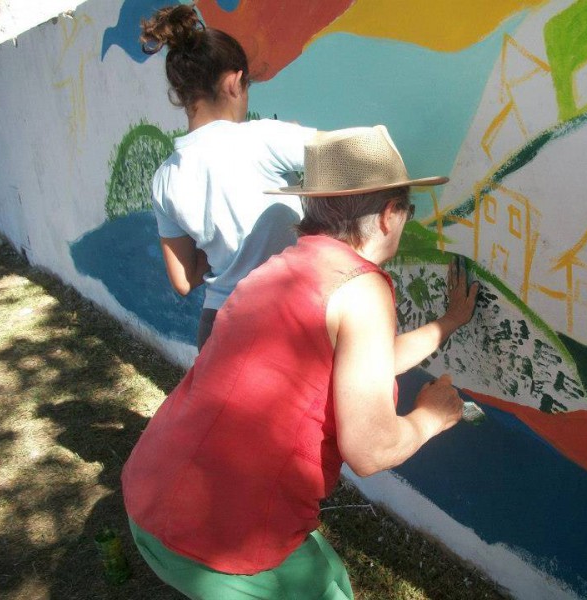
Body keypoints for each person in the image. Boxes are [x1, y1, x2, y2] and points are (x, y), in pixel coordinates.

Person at [121, 125, 480, 599]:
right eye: (408, 211)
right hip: (215, 543)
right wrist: (432, 416)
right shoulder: (362, 288)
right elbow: (371, 450)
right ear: (389, 215)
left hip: (149, 495)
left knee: (331, 577)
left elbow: (366, 366)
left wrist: (448, 323)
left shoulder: (282, 267)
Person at [140, 4, 316, 349]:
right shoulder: (264, 138)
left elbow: (184, 280)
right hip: (280, 320)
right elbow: (359, 154)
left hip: (218, 328)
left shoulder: (164, 178)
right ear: (234, 83)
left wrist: (221, 240)